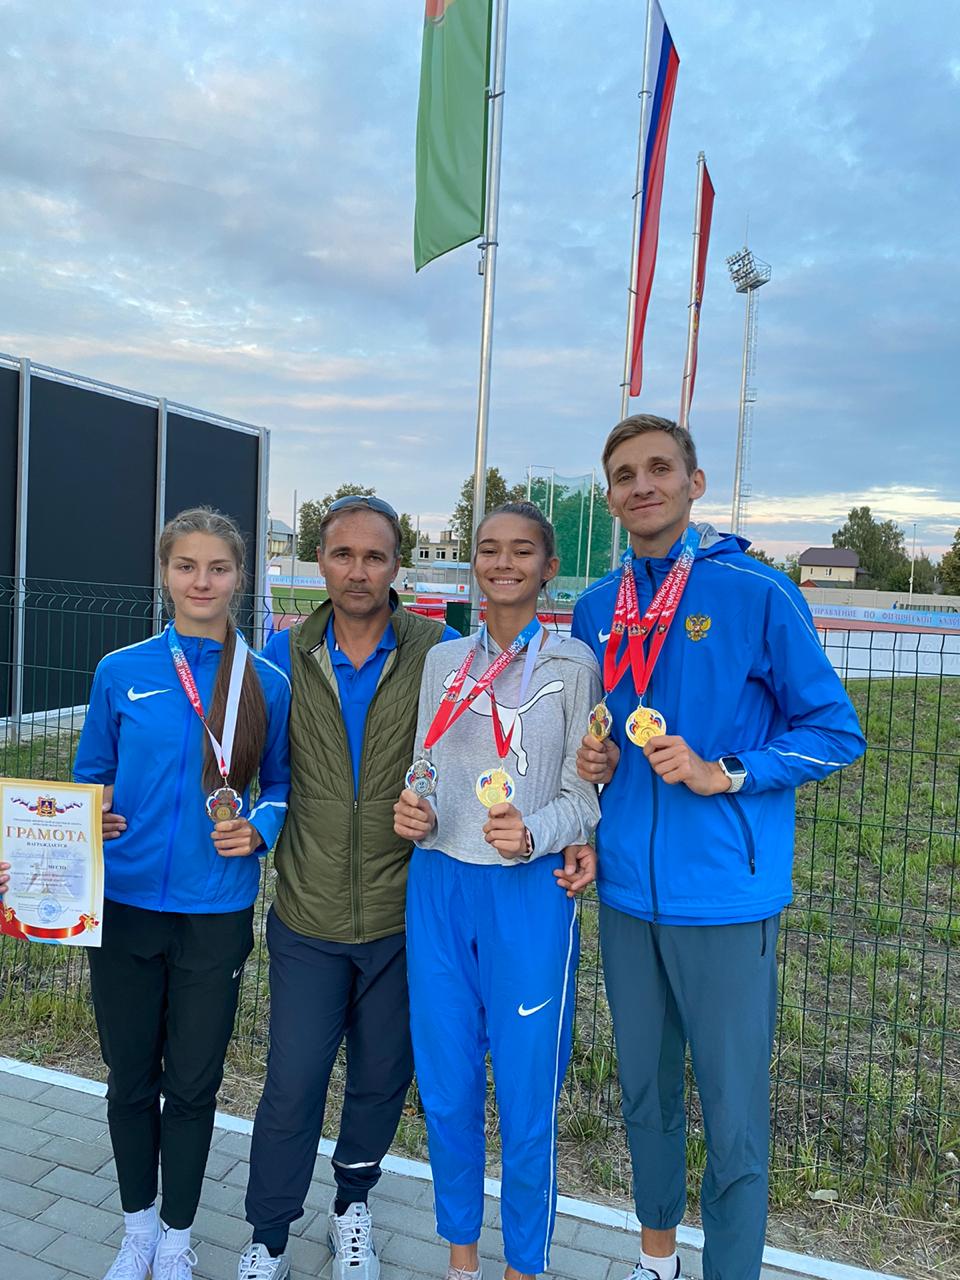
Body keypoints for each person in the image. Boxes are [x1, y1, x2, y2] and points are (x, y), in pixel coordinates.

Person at [571, 416, 866, 1280]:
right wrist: (599, 762)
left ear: (694, 483)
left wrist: (725, 772)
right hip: (627, 893)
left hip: (727, 899)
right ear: (610, 497)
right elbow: (602, 734)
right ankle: (656, 1259)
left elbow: (837, 732)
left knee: (733, 1116)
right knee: (644, 1095)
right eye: (625, 475)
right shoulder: (597, 608)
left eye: (659, 468)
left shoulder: (757, 592)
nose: (642, 485)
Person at [238, 495, 460, 1280]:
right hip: (310, 912)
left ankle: (352, 1205)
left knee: (380, 1078)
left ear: (398, 565)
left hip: (405, 918)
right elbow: (247, 767)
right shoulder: (281, 654)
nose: (358, 571)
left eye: (374, 556)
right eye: (342, 554)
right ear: (320, 561)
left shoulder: (440, 652)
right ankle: (268, 1235)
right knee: (293, 1082)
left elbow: (480, 759)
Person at [72, 507, 291, 1280]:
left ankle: (176, 1236)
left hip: (214, 911)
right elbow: (88, 776)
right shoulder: (120, 670)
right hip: (126, 905)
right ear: (164, 573)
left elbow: (282, 785)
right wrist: (92, 812)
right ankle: (136, 1230)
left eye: (218, 568)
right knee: (131, 1079)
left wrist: (260, 827)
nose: (203, 581)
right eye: (187, 566)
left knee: (193, 1084)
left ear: (239, 577)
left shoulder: (265, 682)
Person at [394, 501, 601, 1280]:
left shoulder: (573, 665)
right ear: (473, 562)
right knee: (447, 1091)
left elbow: (586, 799)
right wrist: (415, 807)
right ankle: (461, 1261)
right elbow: (424, 764)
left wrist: (535, 833)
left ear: (549, 568)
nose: (503, 563)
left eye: (521, 551)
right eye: (489, 549)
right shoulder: (444, 661)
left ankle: (524, 1266)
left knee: (525, 1099)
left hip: (528, 895)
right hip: (439, 885)